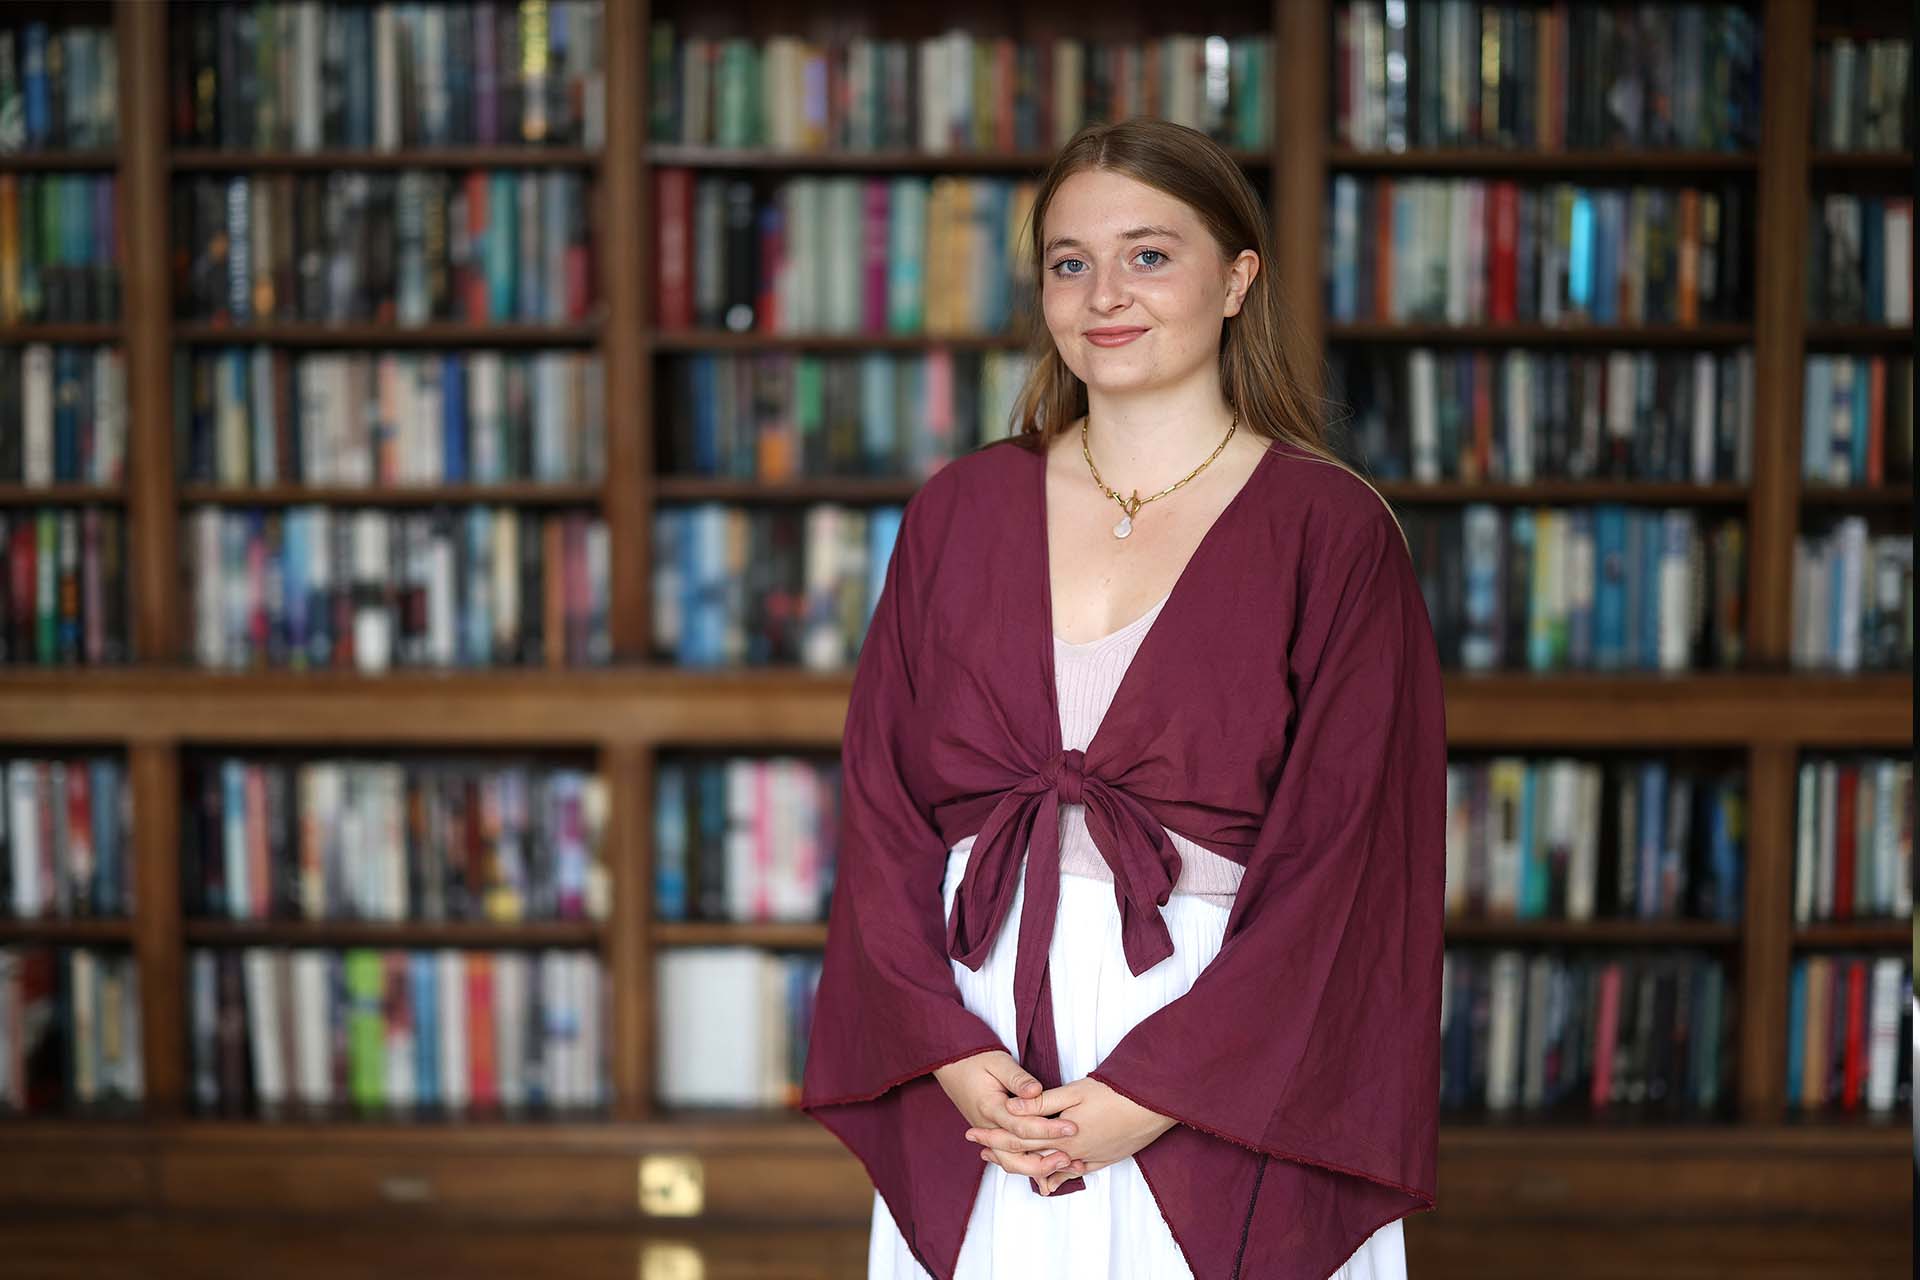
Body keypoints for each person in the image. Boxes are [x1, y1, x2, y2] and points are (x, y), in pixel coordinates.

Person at [800, 116, 1447, 1280]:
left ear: (1238, 277)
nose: (1106, 293)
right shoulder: (959, 509)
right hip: (982, 1032)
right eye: (1069, 260)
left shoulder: (1331, 530)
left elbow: (1348, 859)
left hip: (1223, 1035)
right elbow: (881, 802)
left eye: (1150, 254)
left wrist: (1157, 1091)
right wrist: (944, 1043)